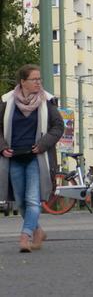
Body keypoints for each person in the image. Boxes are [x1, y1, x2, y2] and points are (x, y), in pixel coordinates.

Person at [0, 64, 64, 252]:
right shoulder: (6, 101)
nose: (38, 83)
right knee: (20, 202)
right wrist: (3, 147)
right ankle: (38, 231)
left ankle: (24, 235)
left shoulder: (47, 101)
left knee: (32, 200)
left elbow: (58, 127)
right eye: (34, 79)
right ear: (23, 82)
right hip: (14, 157)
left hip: (37, 158)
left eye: (39, 79)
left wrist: (43, 144)